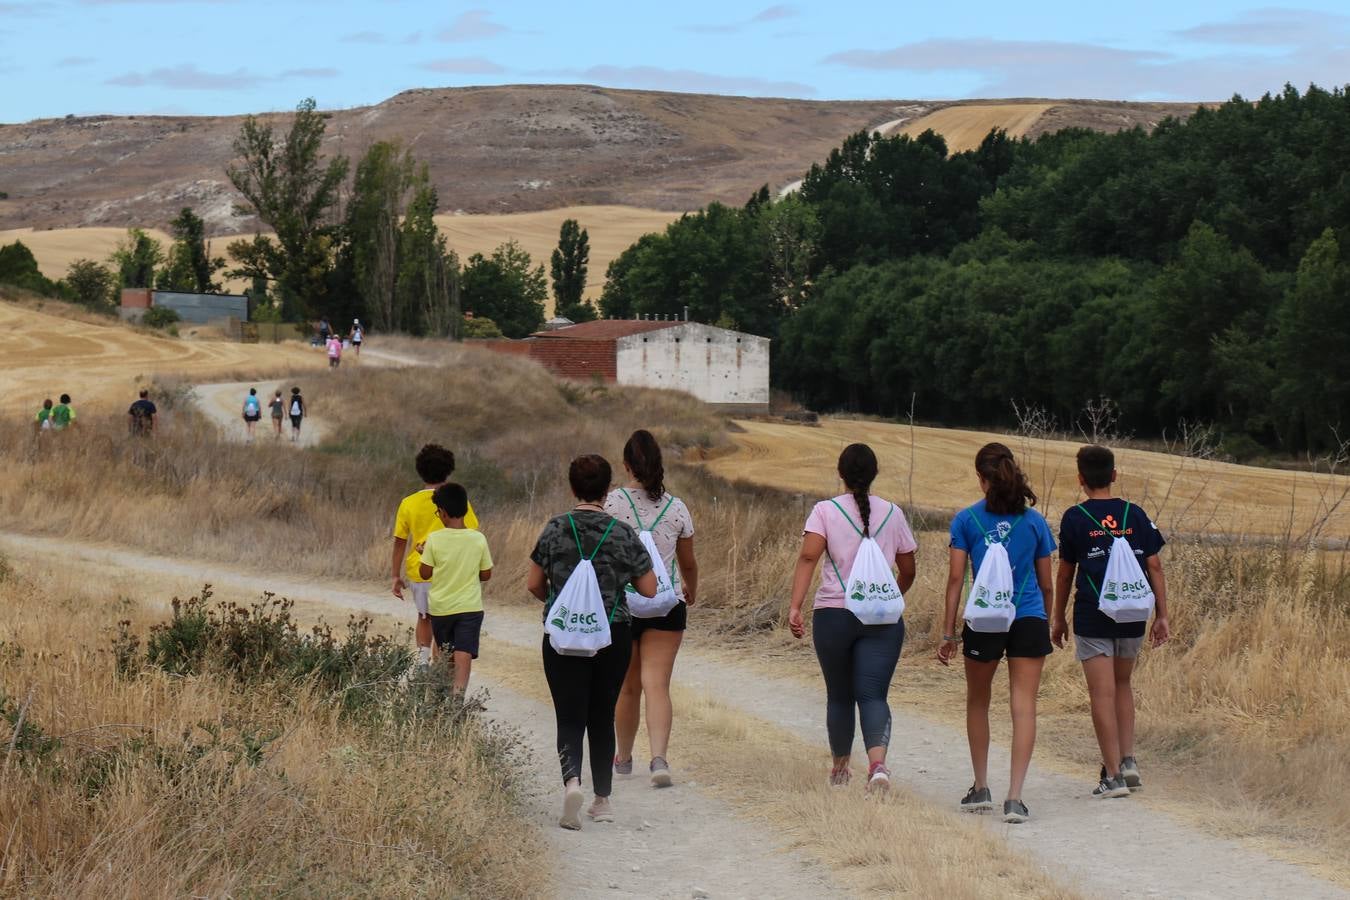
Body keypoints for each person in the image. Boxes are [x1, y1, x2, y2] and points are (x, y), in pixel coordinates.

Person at [527, 455, 656, 830]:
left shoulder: (554, 528)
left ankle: (572, 784)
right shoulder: (621, 533)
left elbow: (534, 584)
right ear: (606, 489)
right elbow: (648, 588)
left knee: (569, 716)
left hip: (563, 635)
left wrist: (560, 602)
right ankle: (602, 800)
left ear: (572, 487)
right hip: (612, 634)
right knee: (601, 715)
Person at [788, 443, 918, 793]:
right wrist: (887, 597)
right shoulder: (893, 513)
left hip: (834, 614)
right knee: (873, 694)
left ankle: (840, 770)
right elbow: (908, 569)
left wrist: (795, 606)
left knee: (839, 695)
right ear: (874, 473)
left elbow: (807, 558)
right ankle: (877, 766)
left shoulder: (824, 511)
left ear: (840, 474)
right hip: (882, 620)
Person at [938, 442, 1056, 825]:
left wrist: (948, 632)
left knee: (978, 701)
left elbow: (957, 580)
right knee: (1023, 706)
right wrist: (1047, 620)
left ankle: (981, 785)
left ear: (981, 477)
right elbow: (1047, 582)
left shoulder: (966, 520)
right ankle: (1016, 797)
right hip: (1028, 617)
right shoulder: (1035, 522)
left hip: (985, 619)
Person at [1053, 445, 1171, 798]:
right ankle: (1129, 759)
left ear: (1080, 479)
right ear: (1114, 475)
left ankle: (1113, 775)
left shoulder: (1075, 518)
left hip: (1093, 614)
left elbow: (1064, 574)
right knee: (1122, 685)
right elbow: (1155, 567)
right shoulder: (1134, 514)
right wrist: (1162, 615)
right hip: (1134, 613)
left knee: (1100, 694)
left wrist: (1058, 617)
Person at [605, 430, 699, 788]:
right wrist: (691, 588)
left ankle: (624, 758)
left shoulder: (612, 504)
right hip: (666, 602)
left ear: (626, 464)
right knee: (657, 684)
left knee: (627, 686)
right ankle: (659, 758)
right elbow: (688, 562)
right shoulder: (676, 507)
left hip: (623, 603)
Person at [392, 445, 480, 668]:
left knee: (425, 617)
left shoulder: (408, 503)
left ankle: (422, 664)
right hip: (449, 570)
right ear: (448, 471)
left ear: (419, 470)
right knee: (445, 619)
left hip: (419, 569)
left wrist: (395, 575)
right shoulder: (458, 500)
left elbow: (400, 541)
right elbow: (471, 531)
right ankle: (440, 668)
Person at [417, 483, 493, 693]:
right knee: (464, 651)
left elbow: (425, 573)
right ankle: (457, 696)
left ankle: (439, 693)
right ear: (465, 510)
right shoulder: (478, 539)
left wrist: (424, 553)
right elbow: (486, 574)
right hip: (470, 607)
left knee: (444, 651)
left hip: (442, 608)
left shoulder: (435, 539)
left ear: (442, 512)